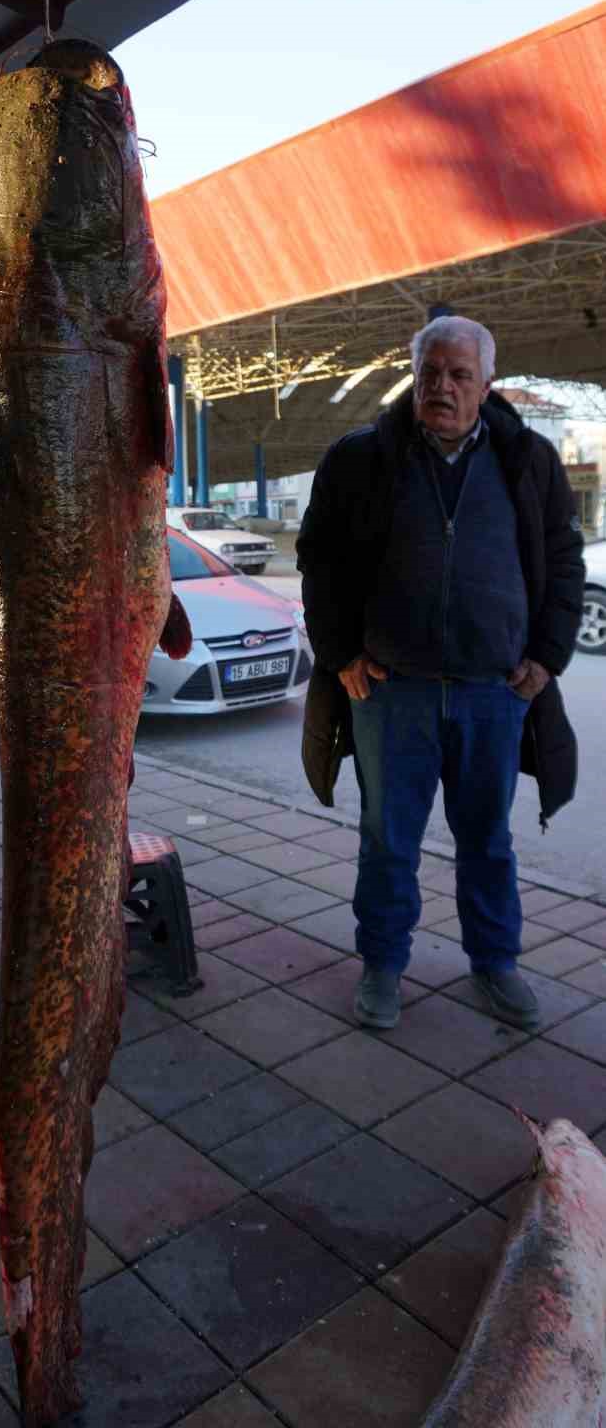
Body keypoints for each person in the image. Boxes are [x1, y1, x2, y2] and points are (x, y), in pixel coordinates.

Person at [296, 315, 584, 1032]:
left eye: (459, 375)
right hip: (391, 689)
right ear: (412, 375)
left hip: (495, 691)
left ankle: (495, 962)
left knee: (487, 838)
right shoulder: (359, 459)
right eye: (430, 373)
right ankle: (383, 964)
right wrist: (339, 655)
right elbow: (318, 559)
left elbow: (565, 560)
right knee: (388, 839)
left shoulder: (530, 461)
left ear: (486, 385)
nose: (443, 388)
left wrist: (547, 657)